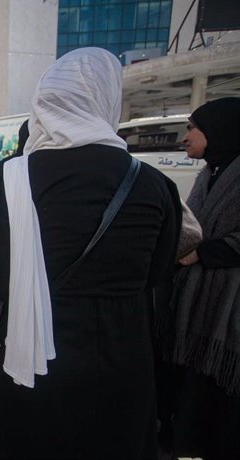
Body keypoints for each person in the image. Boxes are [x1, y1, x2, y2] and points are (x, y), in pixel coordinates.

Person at [0, 48, 181, 459]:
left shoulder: (14, 178)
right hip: (124, 360)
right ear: (108, 99)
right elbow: (158, 274)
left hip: (35, 366)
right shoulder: (154, 184)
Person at [160, 97, 240, 460]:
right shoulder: (211, 172)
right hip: (198, 303)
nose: (185, 137)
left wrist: (205, 252)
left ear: (218, 131)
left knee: (222, 396)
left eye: (193, 128)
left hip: (228, 310)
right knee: (193, 387)